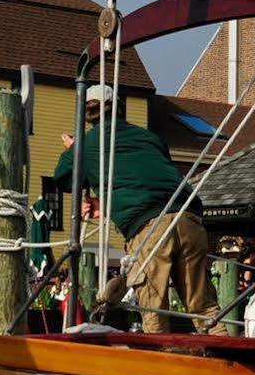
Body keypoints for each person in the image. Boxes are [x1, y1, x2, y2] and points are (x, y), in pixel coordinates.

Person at [52, 83, 218, 333]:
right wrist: (106, 205)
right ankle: (227, 358)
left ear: (86, 115)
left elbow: (63, 179)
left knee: (154, 311)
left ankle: (157, 368)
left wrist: (74, 150)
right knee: (205, 308)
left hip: (149, 229)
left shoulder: (86, 144)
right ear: (119, 108)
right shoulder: (149, 138)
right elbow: (150, 180)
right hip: (189, 217)